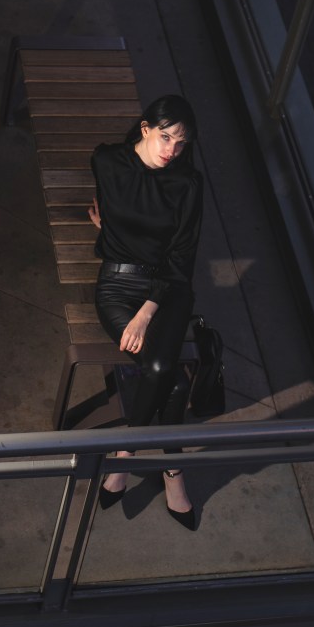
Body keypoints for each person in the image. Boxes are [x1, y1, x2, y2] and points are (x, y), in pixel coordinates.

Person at [88, 94, 203, 530]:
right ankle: (174, 472)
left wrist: (147, 313)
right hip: (117, 285)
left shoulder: (187, 183)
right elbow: (111, 201)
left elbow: (183, 256)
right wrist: (108, 225)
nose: (171, 150)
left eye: (181, 142)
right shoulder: (107, 162)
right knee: (168, 378)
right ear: (144, 128)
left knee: (159, 367)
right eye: (165, 136)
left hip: (168, 289)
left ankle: (125, 455)